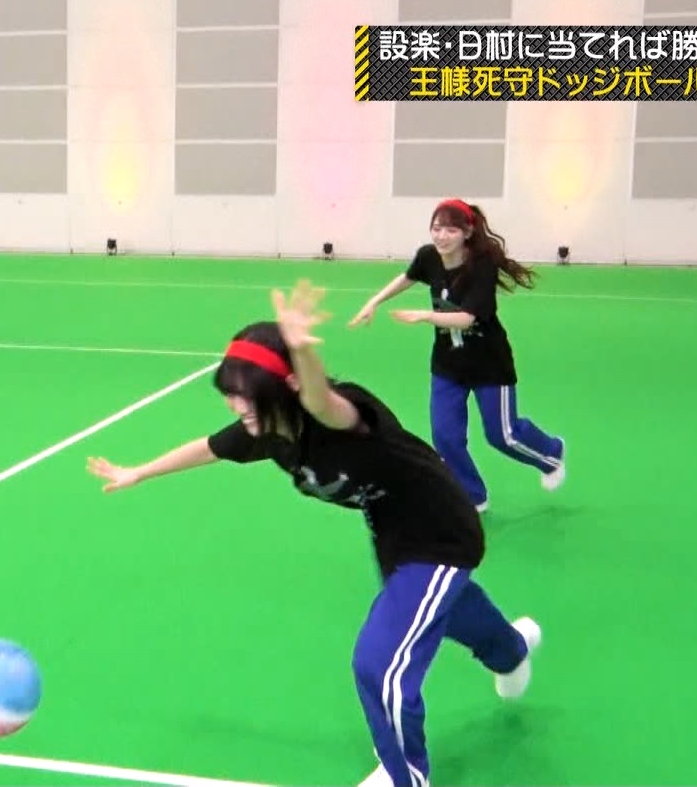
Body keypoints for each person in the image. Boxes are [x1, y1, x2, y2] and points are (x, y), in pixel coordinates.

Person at [87, 281, 541, 787]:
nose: (237, 407)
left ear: (287, 386)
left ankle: (407, 776)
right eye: (231, 395)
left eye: (247, 395)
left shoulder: (341, 414)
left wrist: (303, 351)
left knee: (378, 663)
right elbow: (209, 448)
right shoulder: (269, 430)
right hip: (393, 533)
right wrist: (139, 472)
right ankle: (511, 650)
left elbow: (323, 401)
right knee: (446, 607)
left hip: (440, 532)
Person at [349, 199, 565, 513]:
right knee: (445, 436)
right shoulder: (428, 257)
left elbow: (466, 318)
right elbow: (408, 276)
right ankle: (472, 494)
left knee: (502, 435)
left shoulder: (481, 266)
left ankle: (551, 453)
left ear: (467, 232)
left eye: (451, 230)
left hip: (489, 364)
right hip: (448, 365)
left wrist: (425, 316)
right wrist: (375, 301)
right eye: (437, 228)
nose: (442, 236)